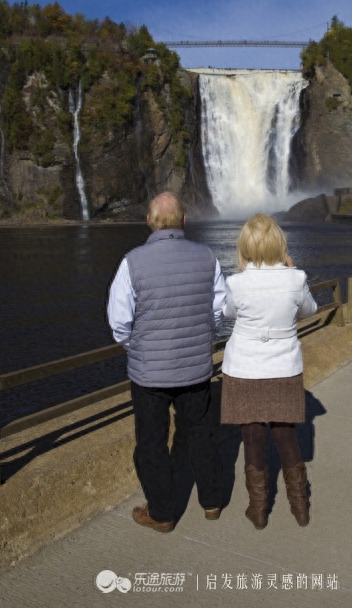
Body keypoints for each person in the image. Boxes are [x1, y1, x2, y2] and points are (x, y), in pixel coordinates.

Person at [107, 192, 225, 533]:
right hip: (196, 368)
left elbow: (119, 322)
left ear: (149, 221)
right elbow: (218, 308)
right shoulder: (207, 257)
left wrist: (139, 348)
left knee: (152, 442)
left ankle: (161, 513)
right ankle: (212, 501)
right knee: (201, 433)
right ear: (184, 221)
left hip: (149, 375)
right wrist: (200, 336)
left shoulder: (132, 261)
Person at [220, 214, 317, 530]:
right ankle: (300, 508)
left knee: (252, 436)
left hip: (245, 367)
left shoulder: (236, 283)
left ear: (245, 246)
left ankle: (258, 510)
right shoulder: (296, 278)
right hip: (283, 366)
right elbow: (310, 311)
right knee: (286, 435)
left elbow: (227, 312)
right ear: (279, 243)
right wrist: (291, 276)